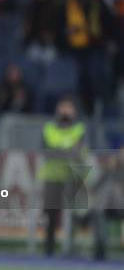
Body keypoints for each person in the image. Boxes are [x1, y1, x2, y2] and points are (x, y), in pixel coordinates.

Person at [38, 97, 87, 257]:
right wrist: (66, 152)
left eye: (69, 107)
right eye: (63, 107)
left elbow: (79, 154)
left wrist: (58, 151)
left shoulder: (79, 129)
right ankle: (49, 249)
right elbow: (47, 152)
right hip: (52, 177)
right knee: (51, 214)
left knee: (73, 215)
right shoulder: (49, 129)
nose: (65, 111)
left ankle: (70, 247)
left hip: (72, 178)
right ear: (57, 109)